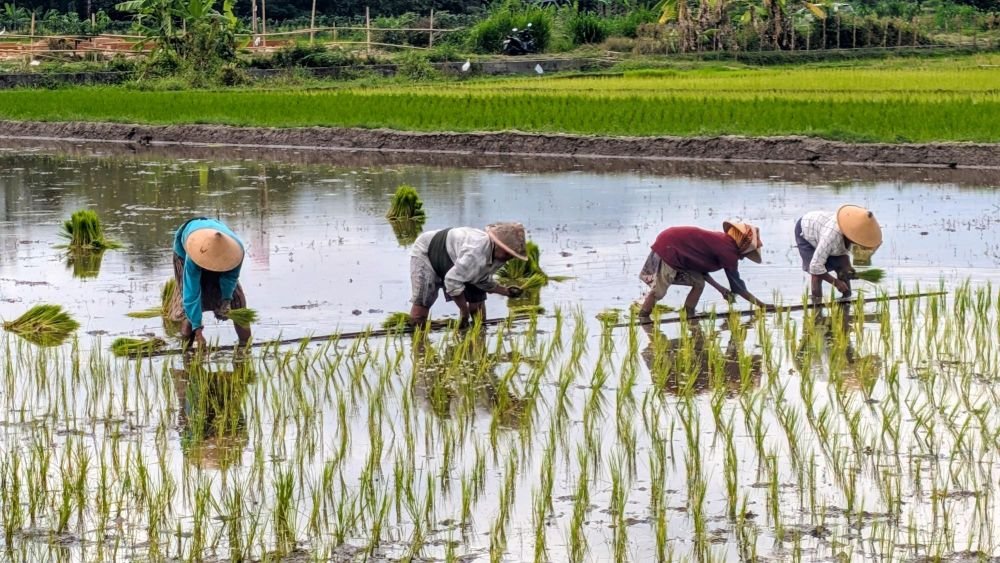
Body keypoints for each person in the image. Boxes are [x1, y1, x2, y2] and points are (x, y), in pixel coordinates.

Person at [638, 221, 768, 318]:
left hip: (674, 243)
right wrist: (762, 306)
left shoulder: (724, 241)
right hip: (671, 247)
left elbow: (700, 269)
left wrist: (721, 289)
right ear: (744, 248)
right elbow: (738, 287)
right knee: (658, 292)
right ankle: (643, 317)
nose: (743, 258)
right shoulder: (729, 252)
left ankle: (689, 314)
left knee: (698, 283)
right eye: (746, 255)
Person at [409, 222, 528, 327]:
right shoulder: (475, 253)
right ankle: (418, 342)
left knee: (478, 310)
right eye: (508, 253)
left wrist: (506, 291)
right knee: (423, 301)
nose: (509, 258)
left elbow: (481, 280)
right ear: (497, 244)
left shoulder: (500, 257)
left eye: (513, 255)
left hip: (458, 257)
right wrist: (464, 312)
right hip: (428, 251)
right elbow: (452, 281)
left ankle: (478, 344)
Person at [169, 217, 250, 349]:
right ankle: (186, 350)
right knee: (192, 307)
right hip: (190, 248)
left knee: (238, 302)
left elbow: (230, 277)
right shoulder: (193, 254)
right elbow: (191, 293)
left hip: (219, 248)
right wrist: (198, 332)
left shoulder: (236, 251)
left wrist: (226, 300)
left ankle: (245, 347)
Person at [795, 205, 882, 302]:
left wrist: (848, 269)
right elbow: (815, 266)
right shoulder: (831, 237)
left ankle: (846, 300)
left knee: (844, 270)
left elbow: (844, 253)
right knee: (817, 274)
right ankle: (816, 303)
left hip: (824, 229)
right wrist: (836, 283)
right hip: (806, 230)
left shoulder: (853, 230)